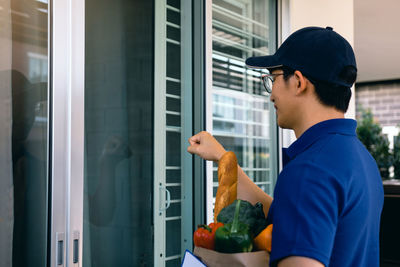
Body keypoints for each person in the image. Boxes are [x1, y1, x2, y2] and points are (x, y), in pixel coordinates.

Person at [187, 26, 384, 267]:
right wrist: (223, 158)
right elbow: (291, 214)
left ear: (299, 82)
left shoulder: (309, 170)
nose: (271, 96)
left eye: (274, 78)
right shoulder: (360, 159)